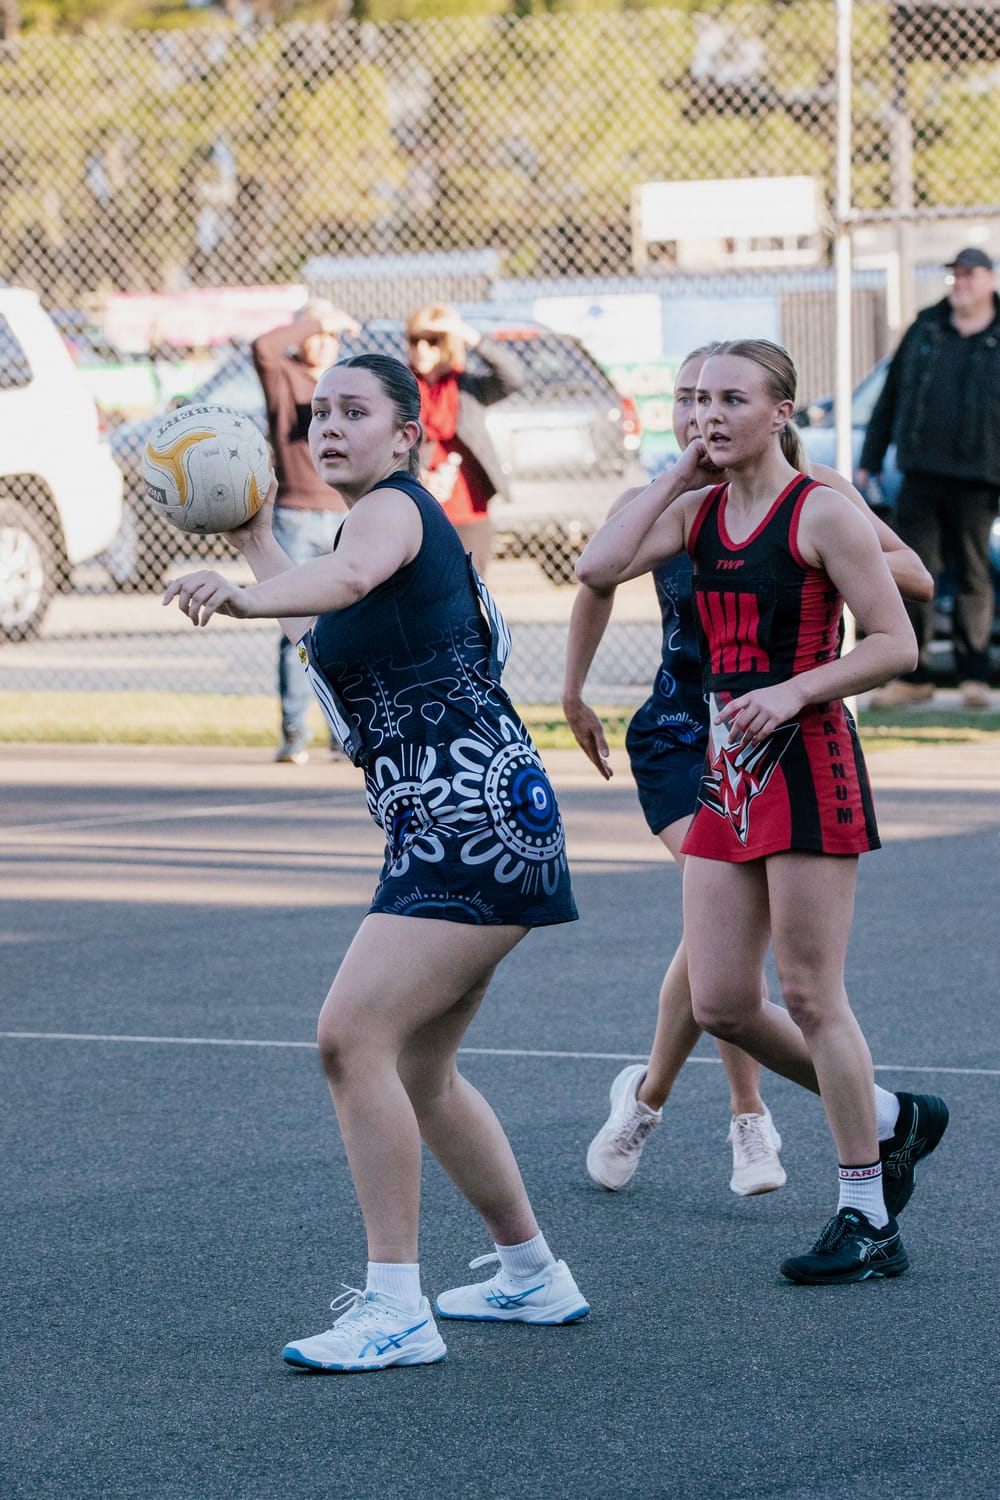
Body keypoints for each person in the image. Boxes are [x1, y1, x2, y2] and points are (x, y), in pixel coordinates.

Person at [164, 353, 588, 1371]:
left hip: (467, 820)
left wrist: (237, 594)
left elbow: (347, 579)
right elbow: (324, 629)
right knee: (418, 1069)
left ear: (407, 436)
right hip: (465, 818)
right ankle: (531, 1273)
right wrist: (256, 539)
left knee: (350, 1037)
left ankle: (396, 1308)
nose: (329, 427)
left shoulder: (393, 511)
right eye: (319, 413)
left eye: (354, 411)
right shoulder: (365, 534)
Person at [577, 338, 948, 1285]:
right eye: (698, 399)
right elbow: (597, 567)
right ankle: (893, 1117)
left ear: (781, 413)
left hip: (809, 762)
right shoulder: (695, 509)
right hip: (728, 772)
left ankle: (867, 1214)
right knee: (722, 1002)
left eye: (732, 400)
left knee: (814, 996)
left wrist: (793, 691)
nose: (710, 414)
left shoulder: (821, 508)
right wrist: (676, 474)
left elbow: (896, 641)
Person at [858, 246, 1000, 710]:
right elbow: (890, 395)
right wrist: (871, 457)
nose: (960, 282)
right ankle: (912, 675)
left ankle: (973, 676)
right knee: (914, 571)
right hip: (919, 470)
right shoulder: (926, 326)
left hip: (980, 476)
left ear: (989, 279)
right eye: (955, 274)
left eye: (970, 274)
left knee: (973, 574)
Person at [251, 299, 360, 764]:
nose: (322, 342)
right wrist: (316, 321)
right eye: (315, 333)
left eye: (330, 336)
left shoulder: (345, 383)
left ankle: (345, 731)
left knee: (347, 630)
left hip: (341, 517)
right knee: (296, 632)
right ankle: (295, 732)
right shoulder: (284, 374)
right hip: (295, 516)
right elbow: (262, 347)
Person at [405, 303, 524, 577]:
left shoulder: (466, 385)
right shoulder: (401, 386)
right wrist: (418, 475)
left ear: (447, 343)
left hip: (468, 506)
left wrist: (469, 335)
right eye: (415, 339)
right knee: (424, 587)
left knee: (471, 587)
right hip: (421, 504)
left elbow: (513, 377)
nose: (421, 348)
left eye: (432, 340)